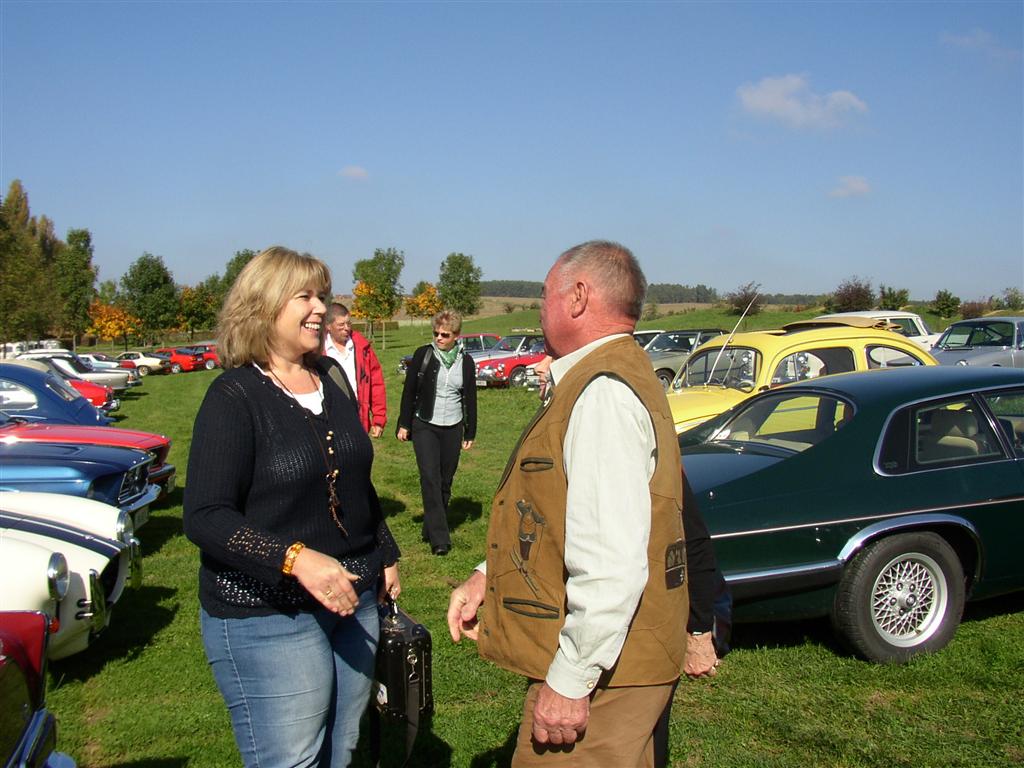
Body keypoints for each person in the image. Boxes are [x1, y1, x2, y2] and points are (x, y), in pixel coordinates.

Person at [446, 240, 688, 767]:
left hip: (608, 673)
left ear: (578, 297)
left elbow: (612, 563)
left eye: (545, 294)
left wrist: (572, 680)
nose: (540, 306)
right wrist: (490, 575)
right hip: (623, 664)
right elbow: (557, 514)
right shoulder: (609, 375)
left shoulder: (603, 391)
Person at [183, 246, 400, 768]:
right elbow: (206, 515)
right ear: (262, 307)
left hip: (355, 599)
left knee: (342, 748)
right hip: (268, 611)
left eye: (321, 295)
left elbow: (355, 482)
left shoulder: (331, 378)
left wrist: (385, 553)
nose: (321, 308)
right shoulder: (234, 396)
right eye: (304, 296)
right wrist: (295, 558)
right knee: (293, 759)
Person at [396, 309, 477, 555]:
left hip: (453, 425)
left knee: (445, 480)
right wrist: (404, 423)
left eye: (445, 334)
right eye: (436, 333)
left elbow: (470, 398)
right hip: (425, 424)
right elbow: (409, 391)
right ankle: (440, 540)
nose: (439, 338)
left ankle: (430, 527)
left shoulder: (466, 361)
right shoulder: (424, 354)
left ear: (456, 335)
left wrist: (470, 432)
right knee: (429, 477)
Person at [323, 302, 387, 437]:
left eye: (348, 323)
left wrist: (378, 418)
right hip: (329, 418)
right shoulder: (318, 350)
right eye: (341, 325)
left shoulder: (362, 349)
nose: (346, 328)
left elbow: (376, 384)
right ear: (328, 326)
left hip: (357, 417)